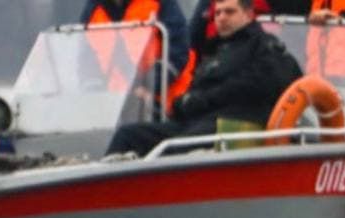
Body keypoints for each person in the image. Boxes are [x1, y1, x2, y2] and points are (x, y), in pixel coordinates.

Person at [104, 0, 302, 157]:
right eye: (217, 13)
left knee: (173, 150)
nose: (222, 18)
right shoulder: (213, 52)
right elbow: (196, 91)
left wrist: (206, 99)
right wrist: (184, 103)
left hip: (234, 121)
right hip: (199, 121)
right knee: (128, 136)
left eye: (229, 12)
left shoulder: (263, 46)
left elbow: (272, 78)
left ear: (249, 14)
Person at [80, 0, 191, 89]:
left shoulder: (160, 3)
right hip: (113, 105)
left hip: (162, 102)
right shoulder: (92, 10)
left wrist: (148, 86)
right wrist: (95, 92)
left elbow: (177, 52)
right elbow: (87, 59)